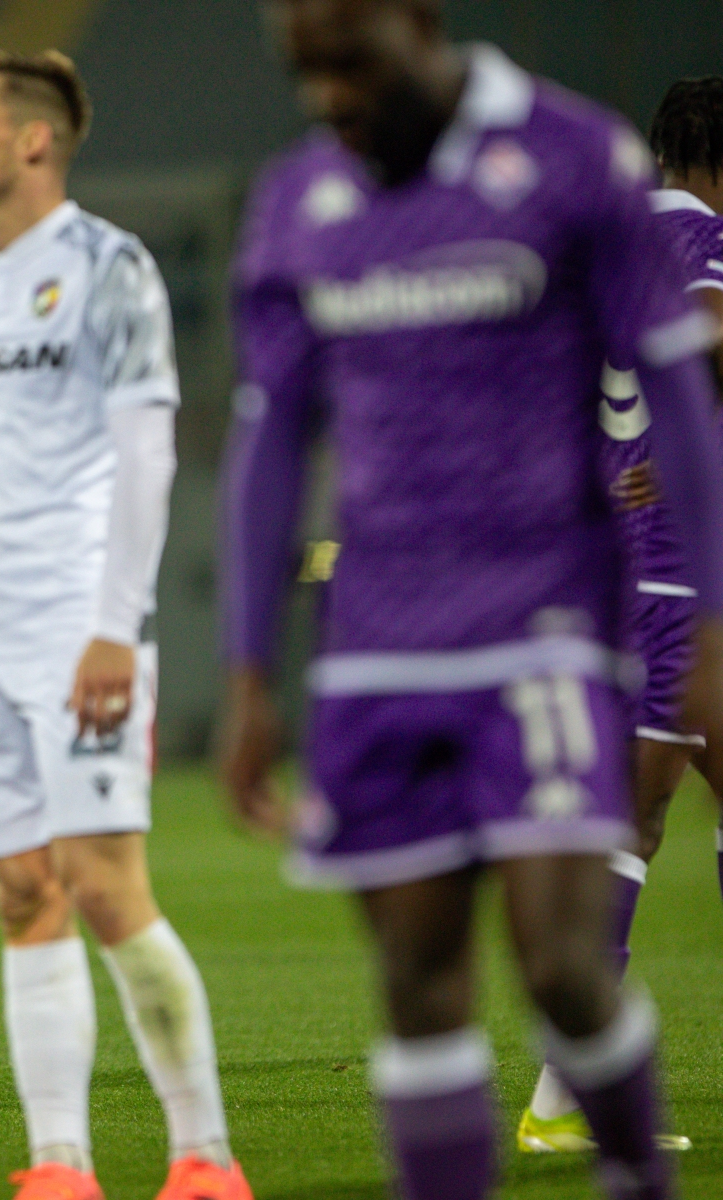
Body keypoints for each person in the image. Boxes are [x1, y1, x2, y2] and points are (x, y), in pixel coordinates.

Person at [220, 4, 723, 1198]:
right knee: (415, 979)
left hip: (544, 631)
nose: (328, 95)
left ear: (414, 20)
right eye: (305, 71)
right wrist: (249, 668)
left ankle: (629, 1165)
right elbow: (270, 441)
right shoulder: (299, 200)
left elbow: (682, 392)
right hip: (376, 648)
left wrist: (711, 617)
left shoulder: (572, 156)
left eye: (347, 61)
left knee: (560, 966)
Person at [0, 51, 251, 1200]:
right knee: (20, 890)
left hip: (73, 626)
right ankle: (59, 1165)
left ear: (32, 140)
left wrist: (114, 624)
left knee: (102, 882)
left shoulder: (107, 267)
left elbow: (147, 452)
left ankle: (204, 1156)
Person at [519, 73, 723, 1156]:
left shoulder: (606, 238)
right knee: (632, 816)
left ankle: (569, 1093)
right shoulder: (701, 241)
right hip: (674, 562)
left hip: (629, 558)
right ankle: (568, 1094)